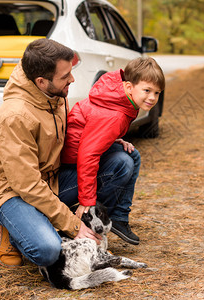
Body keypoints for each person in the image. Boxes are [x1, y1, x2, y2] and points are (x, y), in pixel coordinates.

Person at [0, 39, 101, 269]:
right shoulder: (14, 116)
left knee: (117, 163)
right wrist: (72, 225)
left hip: (50, 180)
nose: (72, 80)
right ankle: (14, 228)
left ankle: (51, 224)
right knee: (47, 250)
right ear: (41, 81)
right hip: (12, 190)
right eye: (65, 76)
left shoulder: (53, 93)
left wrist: (108, 138)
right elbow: (27, 185)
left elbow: (73, 132)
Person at [60, 57, 165, 245]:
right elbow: (87, 155)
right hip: (67, 169)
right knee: (123, 163)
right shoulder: (114, 115)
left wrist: (111, 139)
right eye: (147, 90)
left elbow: (93, 128)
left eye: (157, 93)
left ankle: (119, 217)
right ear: (130, 86)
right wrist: (86, 200)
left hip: (77, 154)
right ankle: (93, 215)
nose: (152, 97)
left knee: (132, 154)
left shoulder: (121, 98)